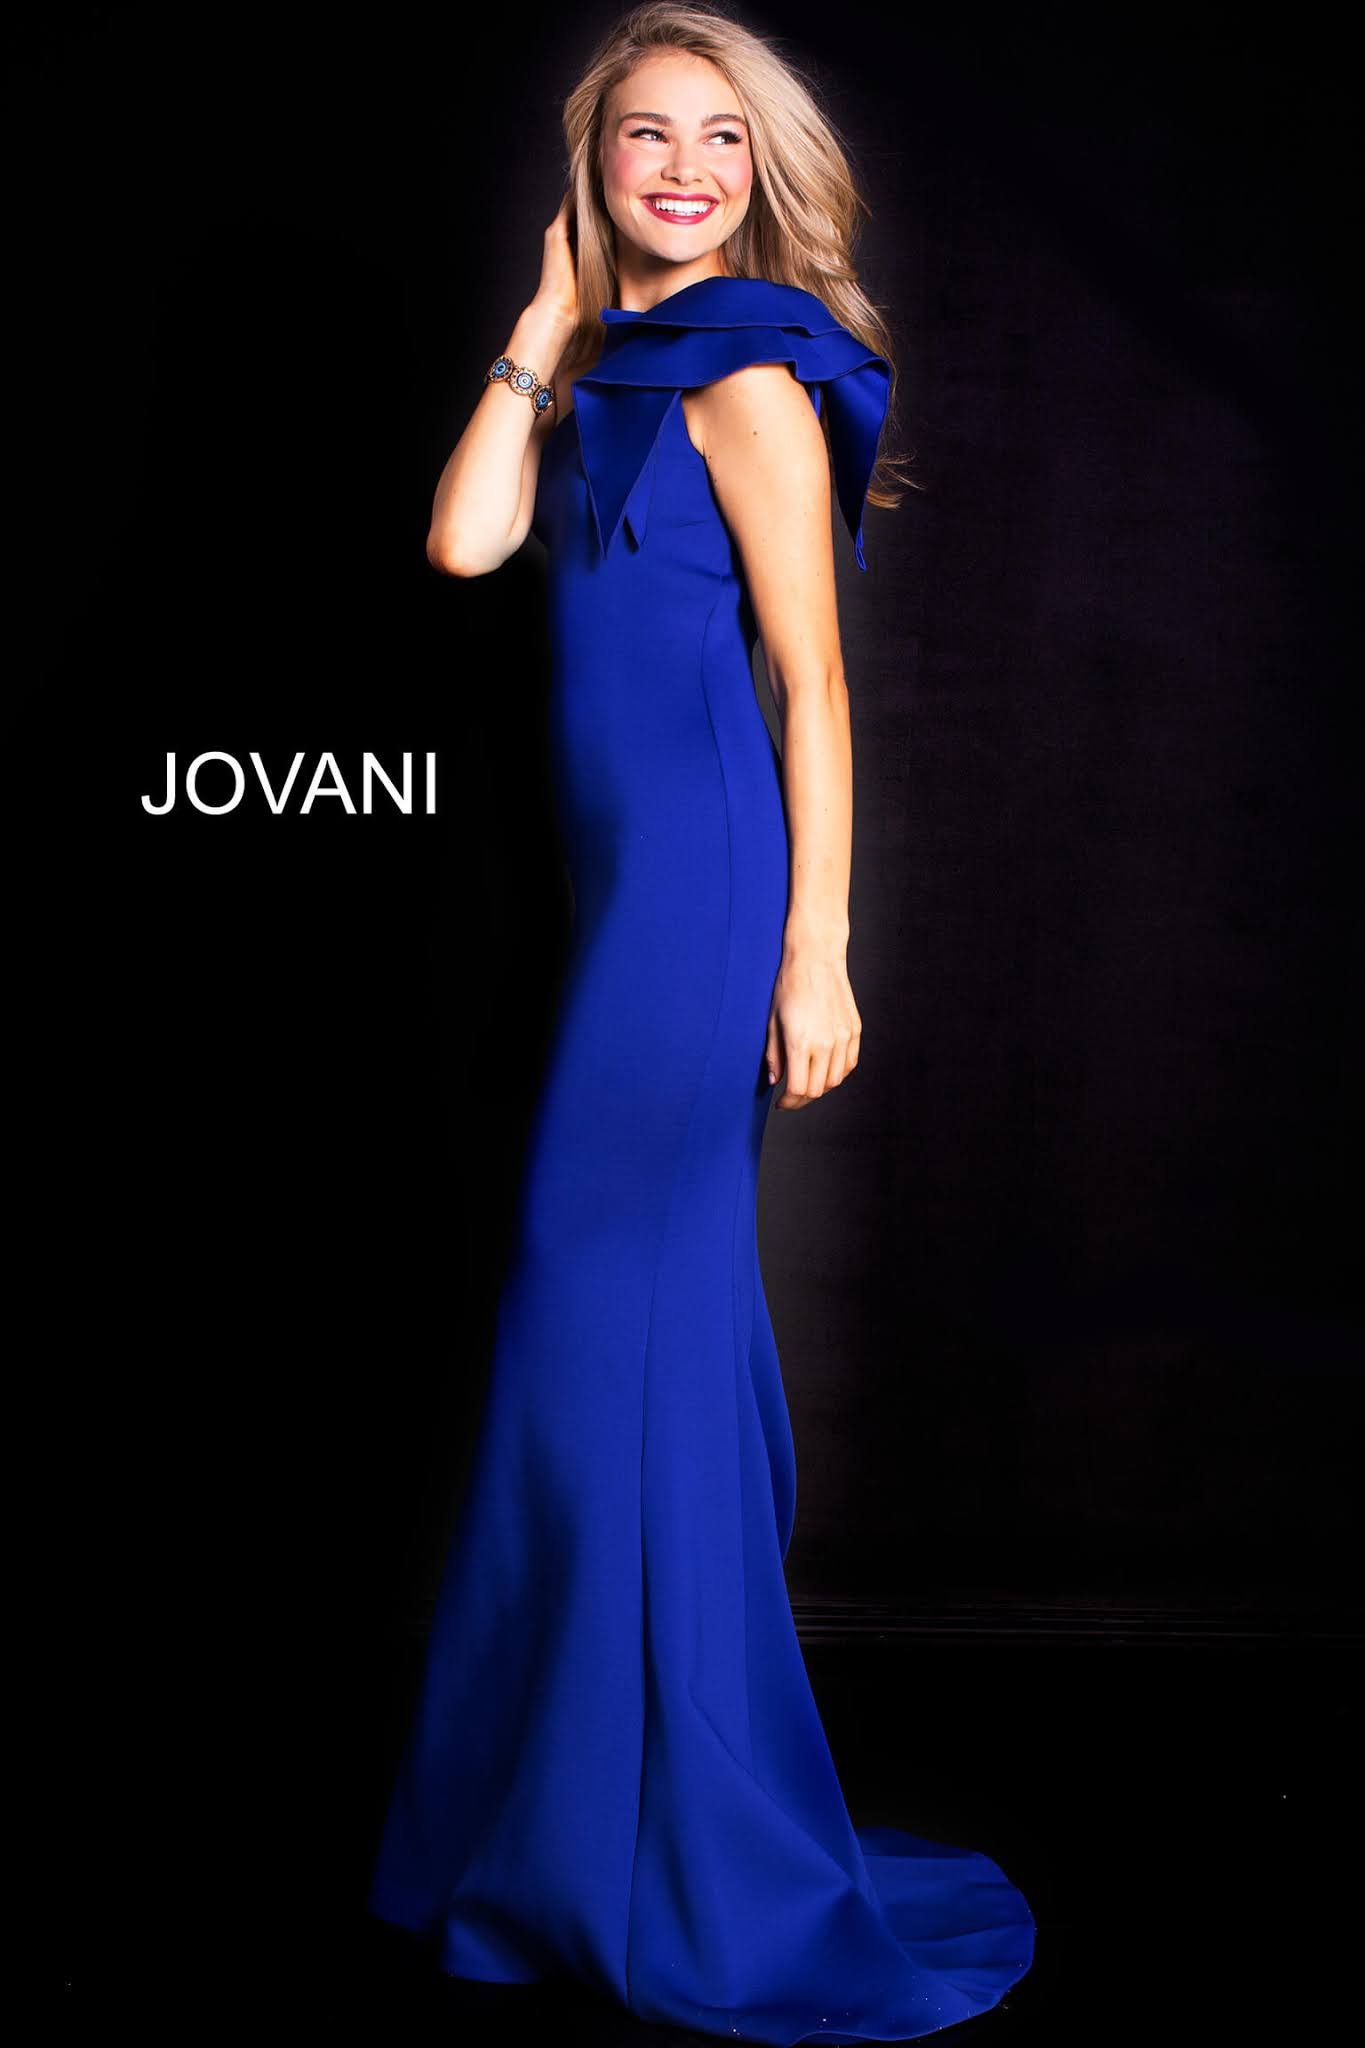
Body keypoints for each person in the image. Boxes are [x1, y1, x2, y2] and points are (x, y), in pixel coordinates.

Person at [367, 7, 1036, 2040]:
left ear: (760, 172)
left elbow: (809, 684)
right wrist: (536, 319)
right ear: (593, 165)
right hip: (611, 903)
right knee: (629, 1327)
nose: (683, 168)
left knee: (597, 1314)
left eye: (720, 139)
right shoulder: (595, 356)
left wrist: (812, 948)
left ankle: (642, 1829)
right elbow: (462, 538)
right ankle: (592, 1804)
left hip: (701, 894)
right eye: (645, 135)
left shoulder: (745, 367)